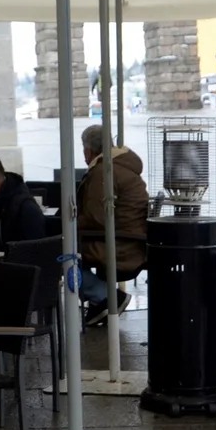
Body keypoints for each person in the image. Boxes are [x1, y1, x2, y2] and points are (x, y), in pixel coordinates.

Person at [76, 124, 149, 327]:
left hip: (120, 245)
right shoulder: (121, 165)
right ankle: (101, 300)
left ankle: (106, 297)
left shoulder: (104, 171)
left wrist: (67, 224)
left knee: (60, 255)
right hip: (132, 241)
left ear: (87, 150)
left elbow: (96, 218)